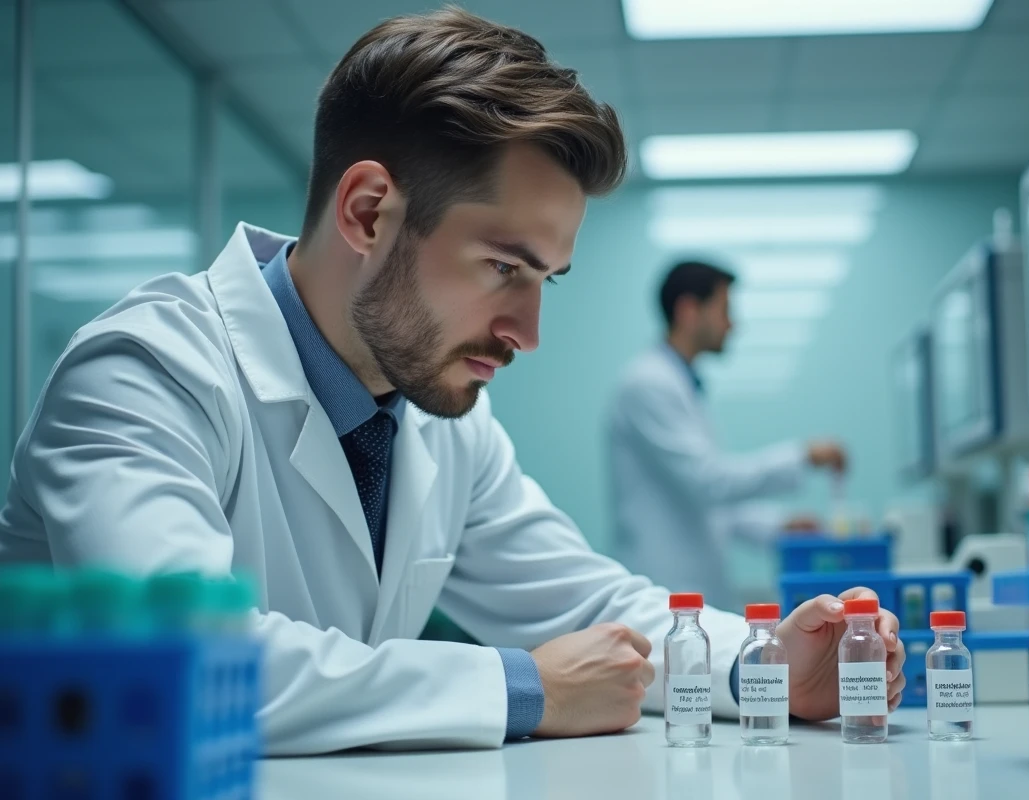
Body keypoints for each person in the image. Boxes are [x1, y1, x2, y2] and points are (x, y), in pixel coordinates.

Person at [0, 10, 903, 754]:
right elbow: (187, 666)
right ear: (367, 212)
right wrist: (523, 687)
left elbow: (590, 601)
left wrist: (766, 664)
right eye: (504, 267)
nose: (529, 333)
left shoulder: (442, 418)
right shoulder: (144, 374)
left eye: (546, 280)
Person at [608, 262, 847, 608]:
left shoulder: (681, 385)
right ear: (689, 310)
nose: (733, 324)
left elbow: (710, 503)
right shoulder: (648, 384)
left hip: (689, 590)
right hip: (662, 589)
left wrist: (782, 526)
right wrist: (803, 455)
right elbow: (710, 483)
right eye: (724, 310)